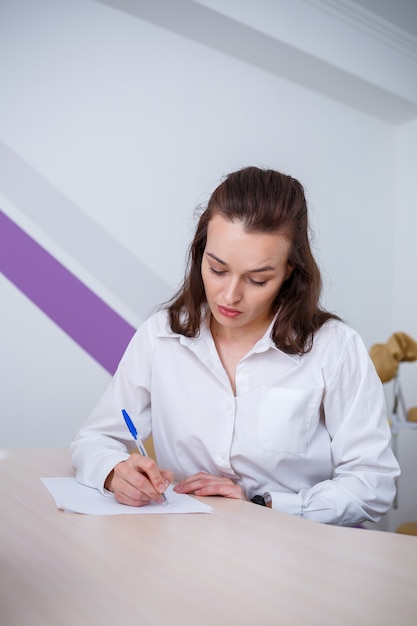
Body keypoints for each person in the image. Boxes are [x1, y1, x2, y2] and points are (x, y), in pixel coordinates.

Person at [71, 166, 400, 525]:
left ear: (290, 270)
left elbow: (373, 484)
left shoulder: (334, 348)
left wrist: (264, 504)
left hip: (293, 552)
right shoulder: (161, 336)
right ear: (201, 253)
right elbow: (95, 438)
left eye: (258, 279)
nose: (229, 296)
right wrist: (115, 470)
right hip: (186, 544)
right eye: (217, 269)